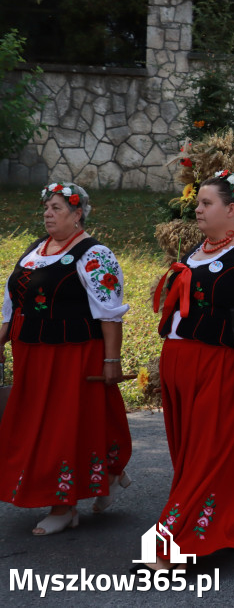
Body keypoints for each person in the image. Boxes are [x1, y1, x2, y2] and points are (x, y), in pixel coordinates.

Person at [149, 172, 234, 567]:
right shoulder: (197, 251)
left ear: (231, 209)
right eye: (199, 202)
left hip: (220, 367)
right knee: (191, 455)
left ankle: (177, 544)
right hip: (182, 366)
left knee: (210, 455)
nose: (197, 209)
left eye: (206, 203)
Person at [0, 183, 131, 535]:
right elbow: (12, 303)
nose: (47, 213)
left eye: (56, 207)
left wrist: (111, 361)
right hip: (31, 355)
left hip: (72, 355)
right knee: (35, 426)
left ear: (77, 215)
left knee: (63, 427)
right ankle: (111, 473)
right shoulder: (33, 251)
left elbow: (110, 314)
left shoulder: (95, 254)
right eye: (46, 207)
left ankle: (64, 505)